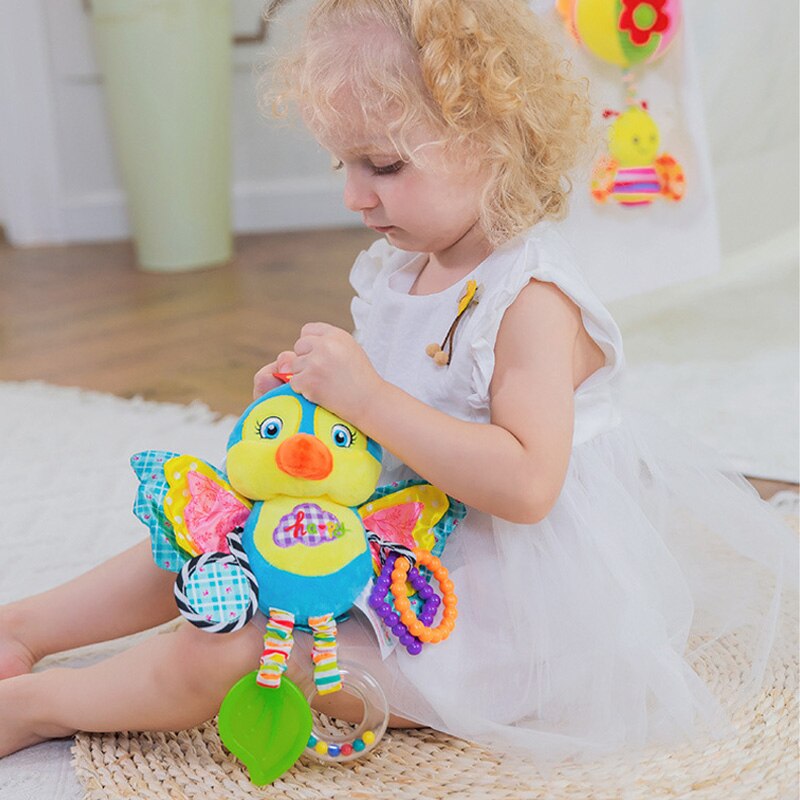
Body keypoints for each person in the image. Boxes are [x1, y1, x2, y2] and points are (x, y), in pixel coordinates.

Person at [0, 0, 795, 764]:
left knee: (239, 649)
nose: (354, 195)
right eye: (343, 164)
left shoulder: (531, 300)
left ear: (491, 136)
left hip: (487, 618)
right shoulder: (401, 268)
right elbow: (385, 424)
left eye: (383, 165)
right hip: (390, 537)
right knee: (217, 528)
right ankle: (23, 627)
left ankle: (36, 708)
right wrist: (309, 408)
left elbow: (528, 485)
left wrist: (369, 399)